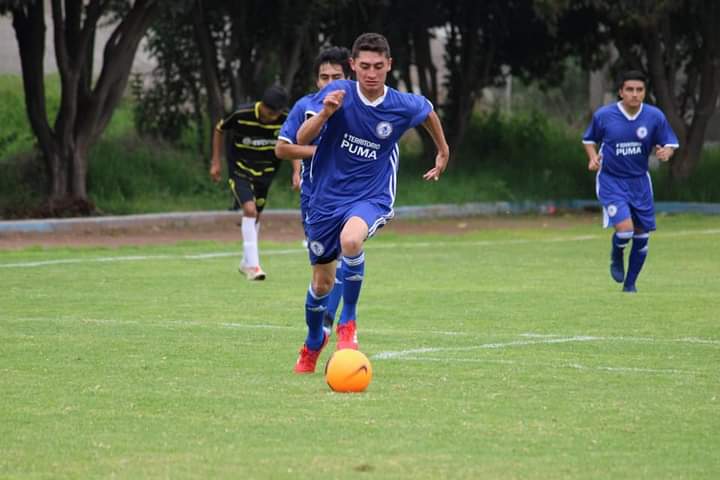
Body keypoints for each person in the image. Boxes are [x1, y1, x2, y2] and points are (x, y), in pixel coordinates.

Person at [292, 32, 450, 373]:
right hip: (325, 199)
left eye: (379, 66)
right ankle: (313, 342)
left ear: (389, 65)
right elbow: (300, 139)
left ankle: (348, 322)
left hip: (371, 195)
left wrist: (442, 149)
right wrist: (324, 115)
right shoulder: (338, 94)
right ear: (353, 66)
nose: (372, 73)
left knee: (351, 240)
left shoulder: (400, 104)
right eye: (364, 66)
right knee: (321, 283)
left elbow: (427, 112)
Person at [275, 46, 353, 336]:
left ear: (349, 76)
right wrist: (318, 152)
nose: (330, 82)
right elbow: (282, 148)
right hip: (316, 199)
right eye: (324, 76)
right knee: (323, 277)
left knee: (350, 247)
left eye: (337, 75)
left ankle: (334, 319)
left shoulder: (363, 107)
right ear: (316, 80)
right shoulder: (305, 106)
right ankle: (318, 325)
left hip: (353, 194)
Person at [582, 70, 679, 292]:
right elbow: (588, 140)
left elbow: (670, 143)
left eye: (639, 90)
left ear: (644, 92)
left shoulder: (655, 116)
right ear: (621, 92)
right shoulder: (604, 116)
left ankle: (630, 285)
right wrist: (593, 158)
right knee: (625, 230)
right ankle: (617, 253)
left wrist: (667, 153)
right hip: (611, 180)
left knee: (642, 235)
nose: (634, 94)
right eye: (630, 90)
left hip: (640, 182)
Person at [210, 85, 292, 281]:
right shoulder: (242, 114)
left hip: (266, 173)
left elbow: (292, 142)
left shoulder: (285, 120)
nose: (270, 117)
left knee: (256, 216)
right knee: (249, 210)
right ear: (262, 105)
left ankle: (246, 261)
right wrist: (215, 162)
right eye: (268, 111)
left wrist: (297, 171)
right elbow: (219, 129)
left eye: (275, 113)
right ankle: (254, 267)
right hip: (240, 170)